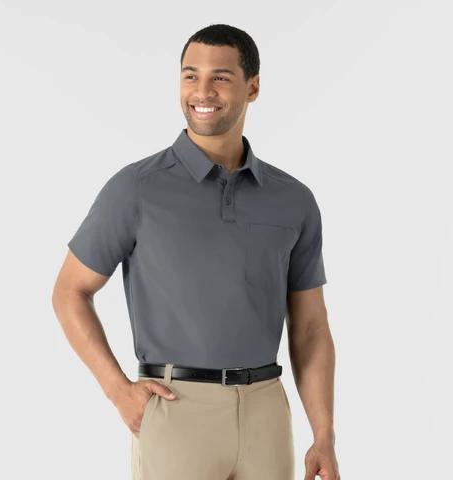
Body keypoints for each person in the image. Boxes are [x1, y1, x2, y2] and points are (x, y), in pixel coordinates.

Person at [52, 23, 340, 480]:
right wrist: (118, 390)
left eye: (220, 77)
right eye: (190, 76)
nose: (202, 91)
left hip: (266, 410)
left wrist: (323, 435)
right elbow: (70, 291)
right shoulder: (136, 188)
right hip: (175, 408)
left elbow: (310, 328)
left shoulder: (293, 199)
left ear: (253, 87)